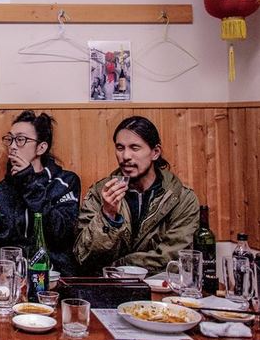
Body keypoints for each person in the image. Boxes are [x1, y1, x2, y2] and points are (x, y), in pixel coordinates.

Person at [74, 116, 200, 274]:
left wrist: (120, 266)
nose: (126, 156)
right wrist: (107, 216)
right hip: (108, 285)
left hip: (158, 287)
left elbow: (173, 258)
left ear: (155, 152)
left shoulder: (181, 198)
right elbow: (83, 256)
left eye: (135, 148)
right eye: (120, 148)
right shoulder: (101, 192)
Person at [0, 111, 80, 275]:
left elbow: (61, 234)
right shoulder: (0, 191)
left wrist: (29, 182)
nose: (12, 146)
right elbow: (4, 250)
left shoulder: (65, 182)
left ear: (41, 147)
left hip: (55, 276)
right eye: (10, 139)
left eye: (20, 139)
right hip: (14, 277)